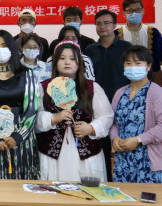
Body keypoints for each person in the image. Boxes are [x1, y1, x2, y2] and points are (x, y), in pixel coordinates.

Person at [36, 40, 113, 182]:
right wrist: (54, 118)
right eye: (62, 58)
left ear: (79, 63)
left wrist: (91, 128)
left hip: (86, 150)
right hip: (52, 150)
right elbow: (35, 116)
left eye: (72, 59)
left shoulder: (92, 88)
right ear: (55, 62)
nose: (67, 62)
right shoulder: (44, 87)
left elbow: (106, 116)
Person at [0, 30, 41, 180]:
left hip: (22, 138)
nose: (0, 50)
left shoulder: (27, 74)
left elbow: (32, 108)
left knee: (22, 184)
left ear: (12, 48)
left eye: (4, 45)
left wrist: (18, 136)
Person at [111, 45, 162, 183]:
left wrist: (138, 140)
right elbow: (113, 122)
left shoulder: (158, 93)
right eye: (128, 63)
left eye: (138, 63)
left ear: (148, 66)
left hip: (150, 166)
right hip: (123, 163)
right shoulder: (120, 93)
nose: (132, 67)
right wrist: (114, 138)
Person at [84, 9, 131, 180]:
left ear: (115, 25)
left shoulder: (126, 48)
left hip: (122, 104)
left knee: (123, 145)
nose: (102, 26)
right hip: (97, 107)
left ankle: (123, 184)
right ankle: (106, 184)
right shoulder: (89, 50)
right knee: (101, 145)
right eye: (98, 23)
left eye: (106, 23)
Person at [115, 0, 162, 72]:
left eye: (138, 10)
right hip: (124, 76)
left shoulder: (153, 32)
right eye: (130, 10)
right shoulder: (116, 34)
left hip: (149, 75)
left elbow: (158, 60)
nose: (134, 13)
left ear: (143, 12)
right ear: (124, 14)